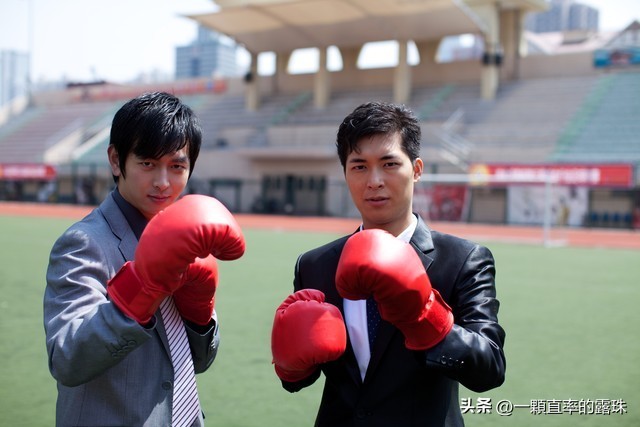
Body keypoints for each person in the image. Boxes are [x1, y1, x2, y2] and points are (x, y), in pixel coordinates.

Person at [270, 102, 506, 426]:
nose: (374, 180)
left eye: (389, 163)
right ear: (345, 174)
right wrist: (291, 365)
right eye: (359, 166)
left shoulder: (463, 260)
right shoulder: (315, 265)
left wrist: (426, 316)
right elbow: (298, 379)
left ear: (417, 169)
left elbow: (490, 368)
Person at [44, 91, 246, 427]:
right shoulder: (83, 243)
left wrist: (199, 316)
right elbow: (67, 359)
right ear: (116, 160)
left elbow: (198, 362)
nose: (163, 182)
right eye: (148, 163)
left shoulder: (186, 237)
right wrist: (140, 288)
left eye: (177, 166)